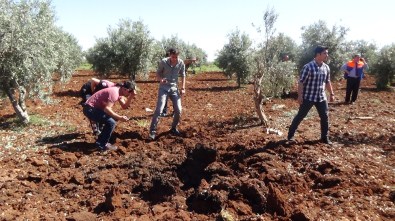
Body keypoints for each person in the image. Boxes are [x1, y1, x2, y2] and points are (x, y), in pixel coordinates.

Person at [287, 45, 335, 144]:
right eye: (325, 53)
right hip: (308, 97)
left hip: (321, 97)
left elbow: (327, 82)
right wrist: (300, 96)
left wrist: (332, 94)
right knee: (301, 115)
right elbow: (301, 82)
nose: (327, 55)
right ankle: (290, 135)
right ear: (318, 54)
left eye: (327, 53)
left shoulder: (326, 68)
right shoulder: (308, 67)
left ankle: (324, 137)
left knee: (325, 116)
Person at [82, 81, 137, 151]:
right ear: (124, 89)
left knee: (113, 119)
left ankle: (100, 140)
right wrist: (120, 117)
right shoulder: (114, 92)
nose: (130, 93)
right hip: (90, 110)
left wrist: (131, 96)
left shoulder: (119, 92)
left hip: (93, 109)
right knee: (111, 122)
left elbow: (124, 106)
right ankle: (102, 145)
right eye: (130, 92)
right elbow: (107, 109)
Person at [149, 48, 186, 140]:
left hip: (174, 88)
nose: (174, 59)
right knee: (159, 109)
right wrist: (161, 79)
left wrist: (183, 87)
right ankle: (152, 131)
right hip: (164, 88)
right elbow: (158, 73)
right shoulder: (163, 62)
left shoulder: (181, 63)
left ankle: (173, 128)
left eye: (176, 57)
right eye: (173, 57)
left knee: (178, 110)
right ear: (170, 55)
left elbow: (183, 75)